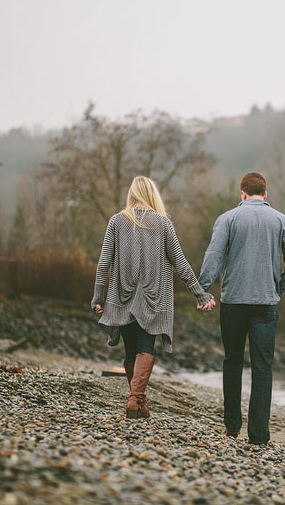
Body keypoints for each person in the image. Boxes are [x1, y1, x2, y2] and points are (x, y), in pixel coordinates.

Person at [91, 176, 214, 419]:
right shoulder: (163, 224)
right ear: (152, 195)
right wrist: (200, 295)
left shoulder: (116, 221)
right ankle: (135, 400)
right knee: (145, 347)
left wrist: (98, 296)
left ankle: (137, 401)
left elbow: (104, 262)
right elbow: (180, 262)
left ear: (132, 194)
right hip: (153, 299)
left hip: (122, 299)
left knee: (130, 351)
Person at [199, 172, 285, 445]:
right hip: (266, 303)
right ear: (265, 194)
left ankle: (232, 426)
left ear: (242, 193)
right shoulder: (282, 221)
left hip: (233, 302)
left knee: (232, 362)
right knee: (262, 368)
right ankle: (258, 435)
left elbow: (214, 256)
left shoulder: (228, 219)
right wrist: (280, 288)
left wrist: (203, 289)